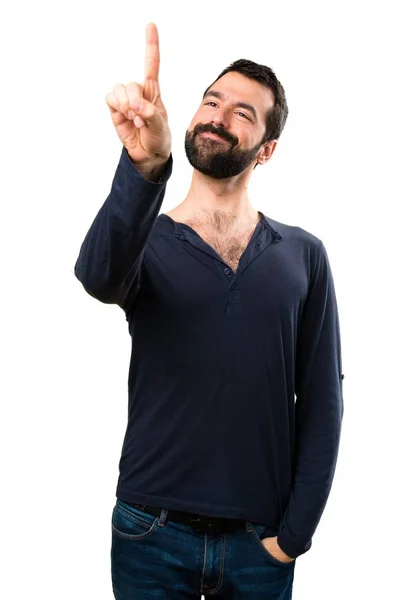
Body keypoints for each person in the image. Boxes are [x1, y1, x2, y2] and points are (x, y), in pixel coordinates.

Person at [74, 22, 344, 600]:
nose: (220, 116)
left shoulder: (304, 256)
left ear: (267, 149)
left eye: (244, 113)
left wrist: (294, 536)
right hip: (149, 530)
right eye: (212, 101)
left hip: (259, 544)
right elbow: (96, 275)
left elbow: (323, 402)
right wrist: (144, 167)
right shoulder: (146, 237)